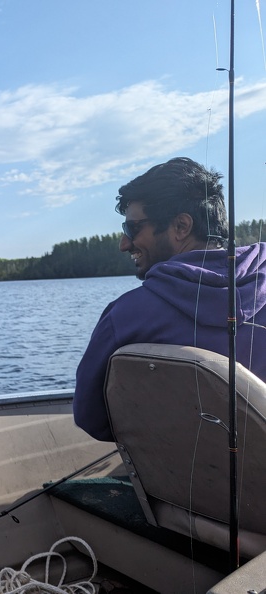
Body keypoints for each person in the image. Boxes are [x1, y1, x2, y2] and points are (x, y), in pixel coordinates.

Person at [74, 157, 266, 441]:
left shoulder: (126, 316)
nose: (124, 244)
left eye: (132, 229)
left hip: (177, 469)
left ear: (181, 226)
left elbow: (91, 418)